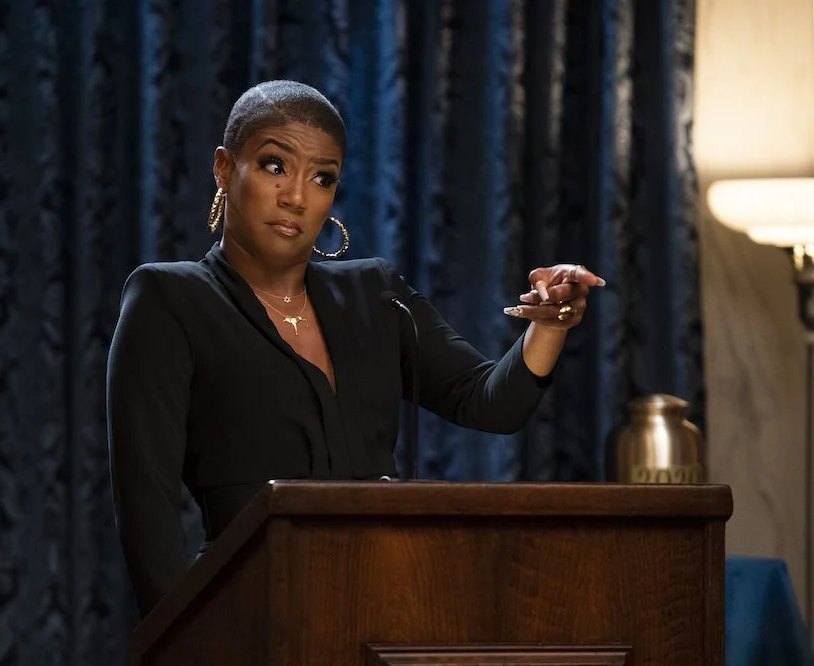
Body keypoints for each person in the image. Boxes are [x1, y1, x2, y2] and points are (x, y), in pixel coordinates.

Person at [106, 80, 605, 617]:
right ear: (225, 169)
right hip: (251, 611)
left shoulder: (376, 294)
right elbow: (146, 506)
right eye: (275, 166)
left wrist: (550, 324)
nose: (296, 197)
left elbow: (489, 402)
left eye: (322, 178)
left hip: (392, 606)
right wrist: (185, 639)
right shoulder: (169, 298)